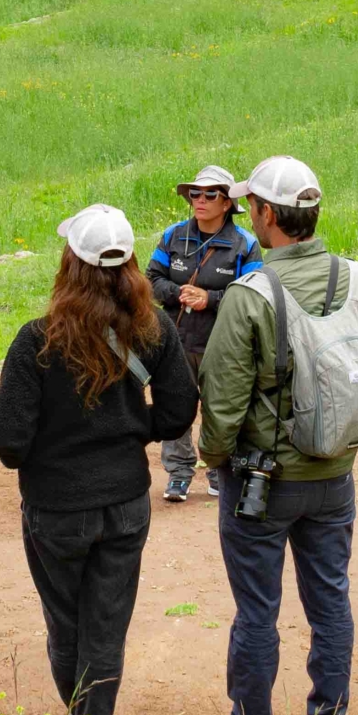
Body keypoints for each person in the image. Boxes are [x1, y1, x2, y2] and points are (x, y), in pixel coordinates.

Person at [195, 156, 358, 715]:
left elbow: (222, 406)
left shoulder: (251, 294)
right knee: (331, 603)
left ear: (264, 214)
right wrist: (344, 437)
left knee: (257, 611)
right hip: (335, 479)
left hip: (262, 482)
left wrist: (217, 460)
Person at [0, 204, 199, 715]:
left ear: (68, 264)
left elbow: (7, 441)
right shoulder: (152, 329)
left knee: (68, 626)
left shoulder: (37, 340)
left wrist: (52, 450)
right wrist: (134, 430)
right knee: (105, 625)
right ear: (132, 263)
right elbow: (181, 410)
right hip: (127, 503)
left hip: (56, 510)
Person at [149, 165, 259, 502]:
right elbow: (151, 277)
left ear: (227, 203)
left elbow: (254, 294)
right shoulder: (172, 236)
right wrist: (178, 292)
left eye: (210, 194)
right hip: (176, 341)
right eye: (195, 193)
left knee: (219, 410)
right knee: (174, 408)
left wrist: (209, 299)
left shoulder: (246, 244)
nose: (200, 199)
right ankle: (179, 474)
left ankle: (217, 471)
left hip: (222, 345)